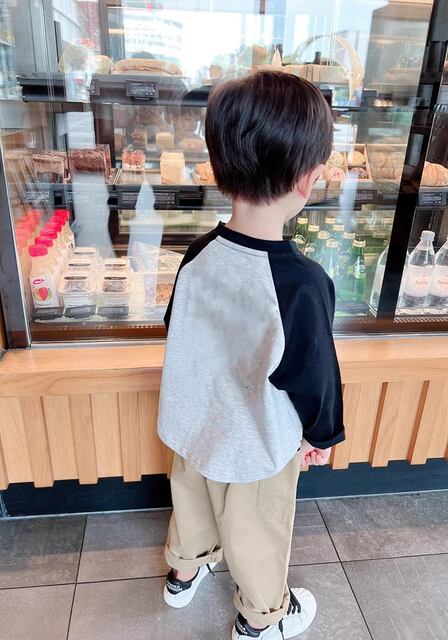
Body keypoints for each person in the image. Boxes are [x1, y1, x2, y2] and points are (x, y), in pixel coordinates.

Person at [157, 70, 345, 639]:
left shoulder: (198, 253)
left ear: (220, 169)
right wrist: (322, 435)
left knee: (190, 503)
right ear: (308, 179)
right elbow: (313, 376)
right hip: (256, 442)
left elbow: (177, 327)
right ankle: (262, 619)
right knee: (257, 531)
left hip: (193, 423)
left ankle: (183, 575)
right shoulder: (301, 283)